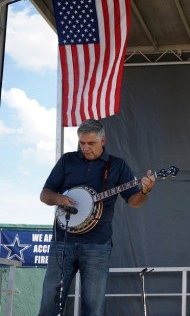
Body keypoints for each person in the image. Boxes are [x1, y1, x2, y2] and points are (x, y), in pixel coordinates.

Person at [38, 119, 156, 316]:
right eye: (82, 143)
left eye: (90, 143)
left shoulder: (117, 166)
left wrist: (144, 191)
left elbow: (133, 201)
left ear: (103, 141)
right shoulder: (68, 160)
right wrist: (60, 198)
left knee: (93, 306)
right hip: (63, 241)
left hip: (97, 245)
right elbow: (45, 195)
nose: (85, 148)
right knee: (50, 300)